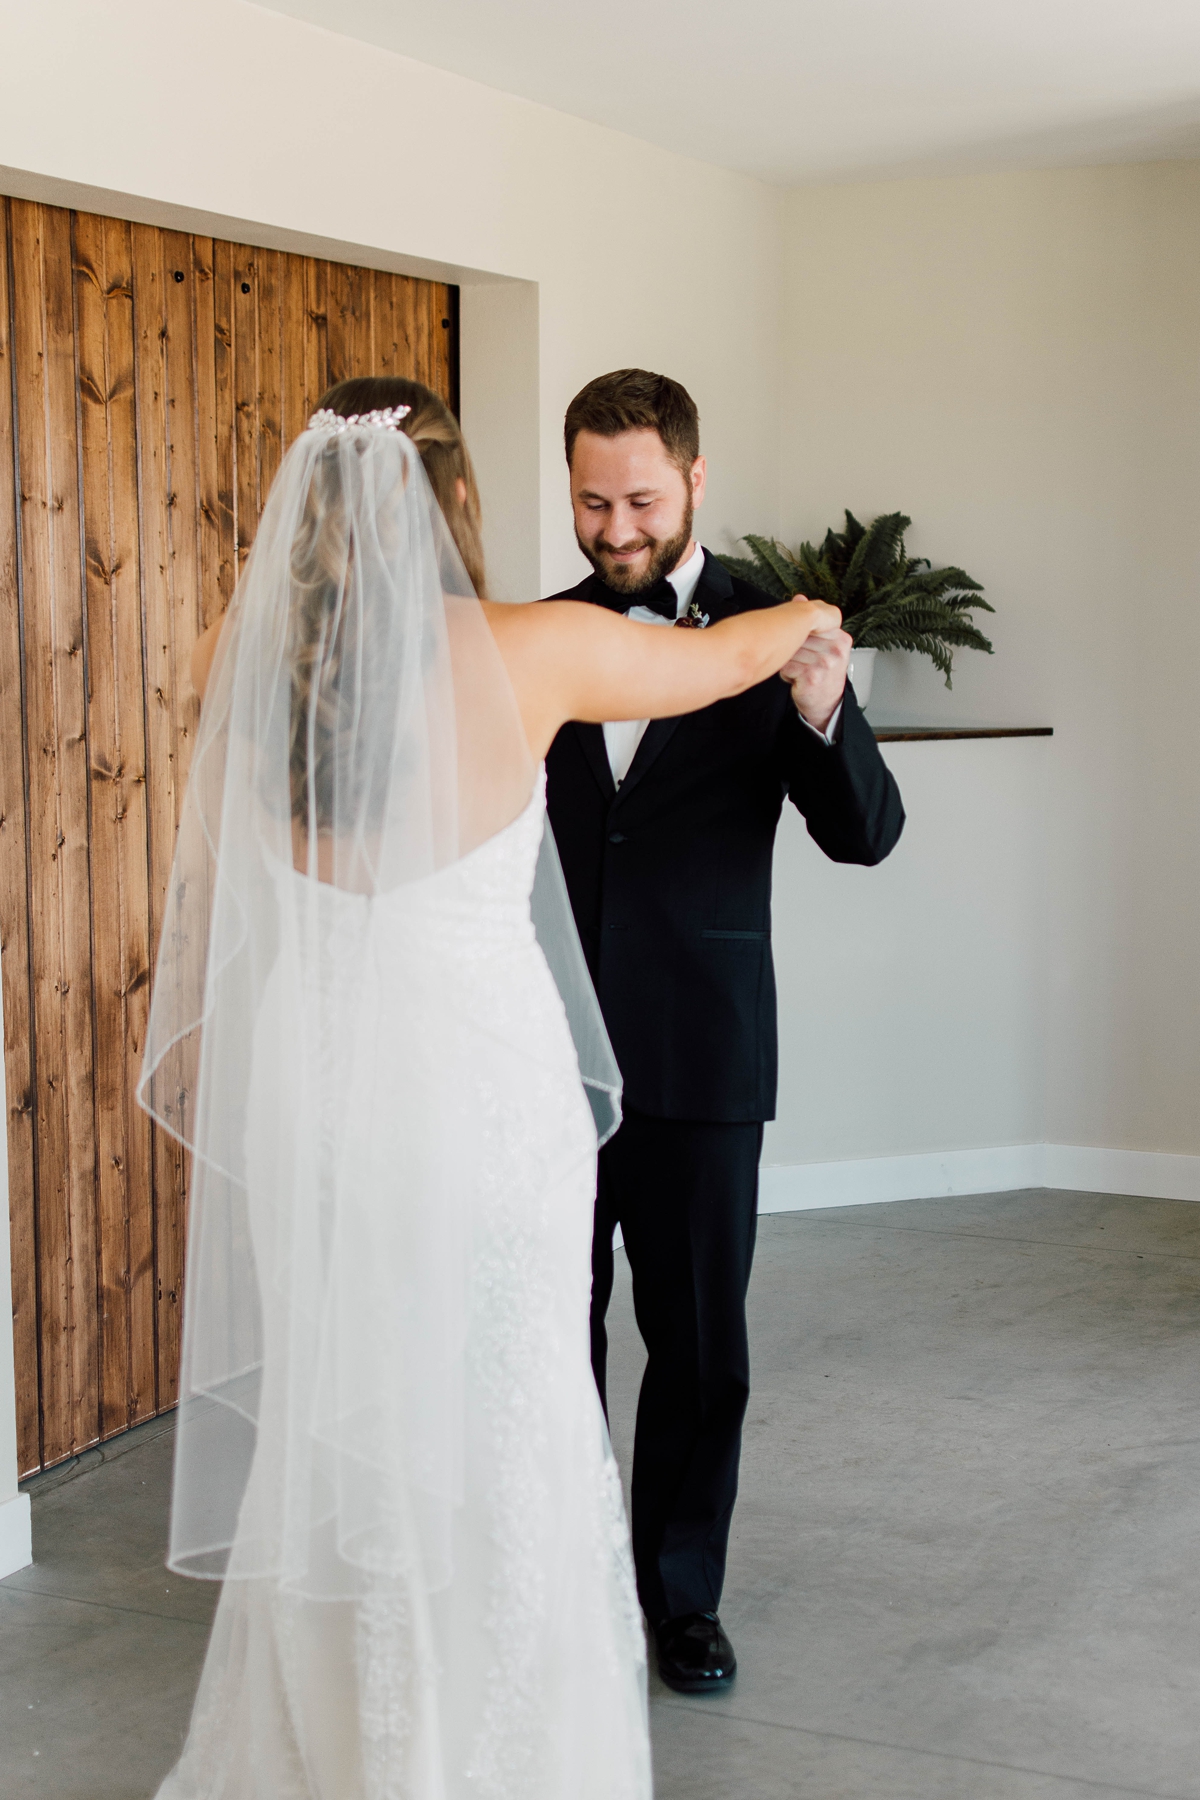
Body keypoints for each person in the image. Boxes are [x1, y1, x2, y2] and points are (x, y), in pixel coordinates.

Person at [139, 374, 842, 1798]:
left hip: (320, 1107)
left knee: (350, 1412)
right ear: (455, 502)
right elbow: (725, 660)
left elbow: (222, 872)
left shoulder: (243, 659)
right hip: (478, 1107)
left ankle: (349, 1745)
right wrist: (807, 620)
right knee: (511, 1416)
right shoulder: (531, 652)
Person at [544, 368, 905, 1696]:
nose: (616, 526)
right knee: (546, 1337)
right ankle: (560, 1580)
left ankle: (680, 1601)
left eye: (640, 498)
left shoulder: (780, 626)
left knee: (700, 1349)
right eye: (592, 501)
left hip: (704, 1052)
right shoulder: (545, 630)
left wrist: (821, 706)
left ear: (695, 480)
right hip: (544, 1061)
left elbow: (868, 834)